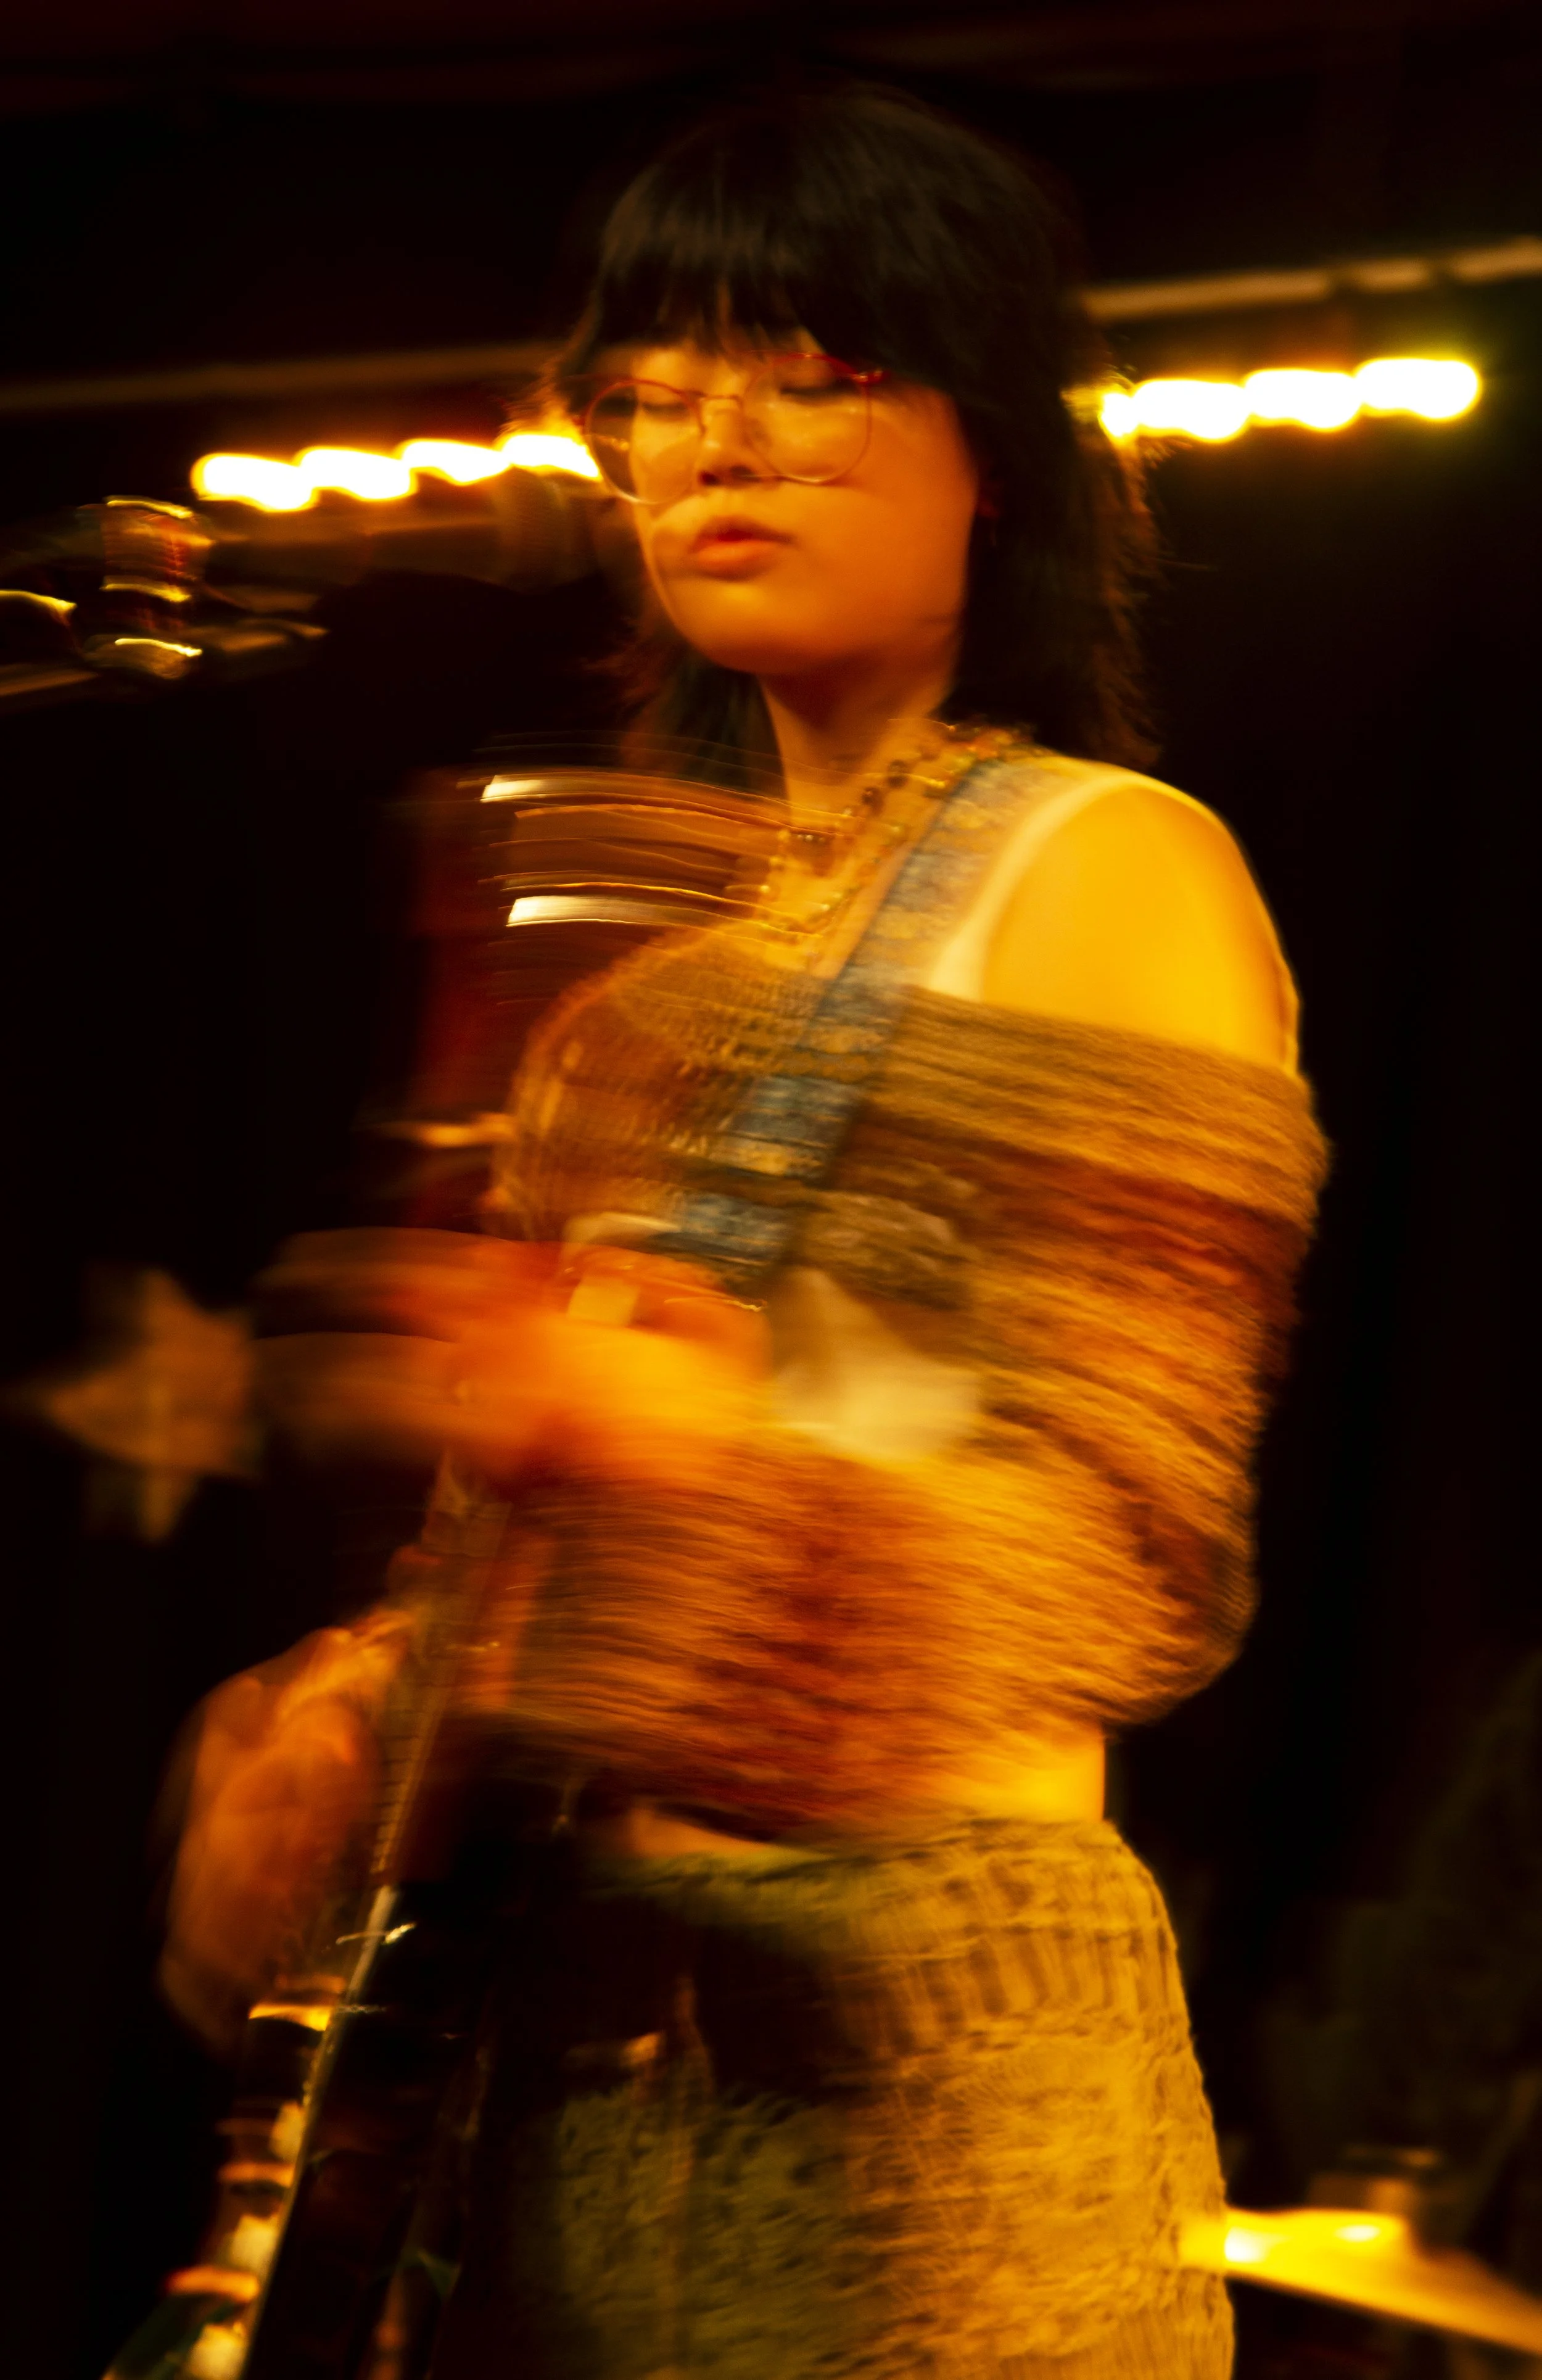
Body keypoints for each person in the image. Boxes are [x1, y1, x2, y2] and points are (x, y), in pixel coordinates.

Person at [162, 82, 1327, 2378]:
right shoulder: (645, 965)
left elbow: (1120, 1550)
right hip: (556, 2083)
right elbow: (528, 1546)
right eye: (657, 387)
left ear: (998, 449)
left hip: (926, 2101)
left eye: (819, 373)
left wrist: (660, 1459)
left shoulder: (1104, 859)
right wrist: (351, 1715)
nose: (719, 440)